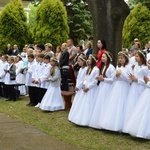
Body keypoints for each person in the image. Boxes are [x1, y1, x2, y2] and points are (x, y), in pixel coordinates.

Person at [100, 51, 131, 132]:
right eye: (119, 58)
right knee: (115, 104)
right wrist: (116, 75)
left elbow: (129, 80)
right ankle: (111, 123)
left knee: (122, 104)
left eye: (122, 58)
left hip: (124, 87)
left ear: (126, 58)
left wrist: (121, 74)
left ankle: (121, 125)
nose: (120, 60)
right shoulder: (118, 66)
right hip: (117, 87)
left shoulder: (128, 67)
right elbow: (114, 78)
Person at [68, 54, 99, 126]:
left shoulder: (96, 69)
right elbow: (85, 78)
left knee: (89, 104)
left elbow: (95, 81)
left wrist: (88, 87)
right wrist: (84, 85)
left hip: (91, 89)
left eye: (90, 59)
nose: (88, 60)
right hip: (85, 88)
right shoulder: (88, 68)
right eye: (88, 59)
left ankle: (89, 119)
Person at [123, 50, 149, 133]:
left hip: (140, 88)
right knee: (130, 104)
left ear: (141, 58)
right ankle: (128, 125)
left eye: (137, 56)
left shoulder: (145, 68)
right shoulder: (136, 66)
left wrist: (137, 79)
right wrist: (132, 78)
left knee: (137, 105)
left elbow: (145, 82)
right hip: (133, 87)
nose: (135, 58)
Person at [89, 51, 116, 129]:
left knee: (105, 102)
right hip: (102, 86)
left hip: (107, 87)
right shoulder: (104, 66)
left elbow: (113, 80)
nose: (102, 58)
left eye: (104, 57)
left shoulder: (111, 67)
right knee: (100, 102)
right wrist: (100, 79)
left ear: (108, 58)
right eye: (102, 56)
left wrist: (103, 79)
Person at [68, 54, 88, 121]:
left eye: (79, 61)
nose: (78, 63)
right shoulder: (81, 69)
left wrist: (79, 86)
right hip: (78, 87)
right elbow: (79, 78)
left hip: (81, 88)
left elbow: (84, 79)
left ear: (83, 61)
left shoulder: (86, 69)